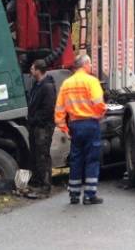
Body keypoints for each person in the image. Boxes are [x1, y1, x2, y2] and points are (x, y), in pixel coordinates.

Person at [55, 55, 106, 205]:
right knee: (92, 159)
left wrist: (63, 127)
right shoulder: (92, 81)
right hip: (90, 124)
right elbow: (99, 103)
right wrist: (100, 114)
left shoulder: (66, 84)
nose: (91, 66)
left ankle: (74, 194)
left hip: (75, 125)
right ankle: (90, 195)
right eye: (90, 63)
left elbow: (59, 108)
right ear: (84, 65)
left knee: (76, 159)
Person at [26, 59, 57, 195]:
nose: (31, 71)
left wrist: (35, 119)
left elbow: (48, 109)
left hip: (43, 127)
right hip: (35, 126)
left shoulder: (47, 87)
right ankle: (38, 182)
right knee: (36, 154)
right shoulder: (36, 85)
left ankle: (45, 186)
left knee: (42, 155)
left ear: (38, 70)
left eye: (32, 69)